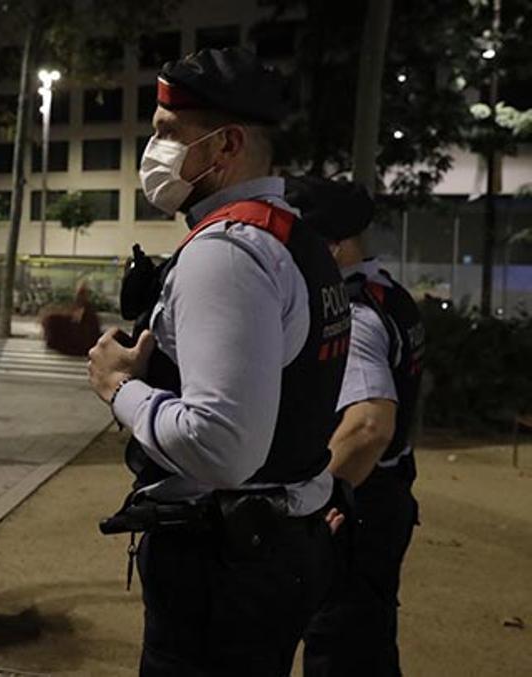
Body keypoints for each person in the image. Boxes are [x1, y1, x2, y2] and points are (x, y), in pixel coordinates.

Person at [87, 47, 351, 676]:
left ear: (225, 144)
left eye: (168, 133)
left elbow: (224, 445)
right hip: (277, 545)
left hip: (224, 567)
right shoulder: (296, 238)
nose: (155, 150)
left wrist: (118, 387)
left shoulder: (227, 253)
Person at [287, 177, 425, 676]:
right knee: (368, 643)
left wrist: (317, 499)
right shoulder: (392, 295)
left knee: (338, 647)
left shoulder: (356, 313)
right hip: (387, 495)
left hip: (360, 506)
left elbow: (370, 426)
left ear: (332, 245)